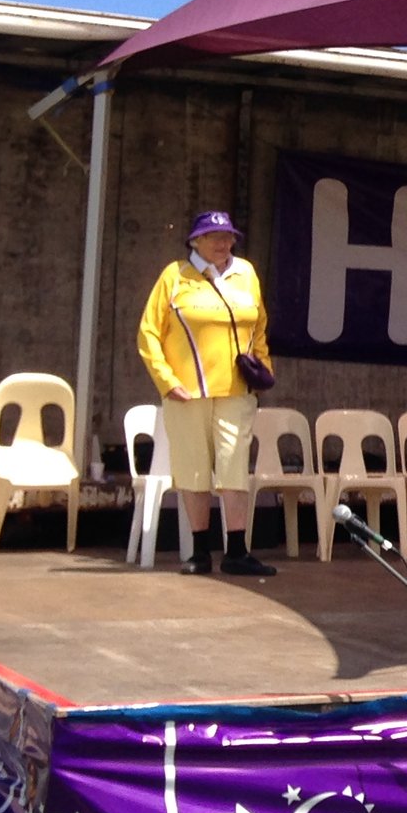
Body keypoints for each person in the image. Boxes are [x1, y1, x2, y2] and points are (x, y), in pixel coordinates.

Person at [136, 210, 276, 576]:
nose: (223, 243)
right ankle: (199, 552)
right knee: (193, 468)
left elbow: (259, 326)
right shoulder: (175, 276)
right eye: (214, 237)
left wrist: (263, 367)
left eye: (228, 237)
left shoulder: (246, 273)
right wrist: (167, 380)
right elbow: (148, 333)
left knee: (234, 467)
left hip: (236, 390)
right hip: (187, 392)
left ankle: (237, 551)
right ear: (196, 241)